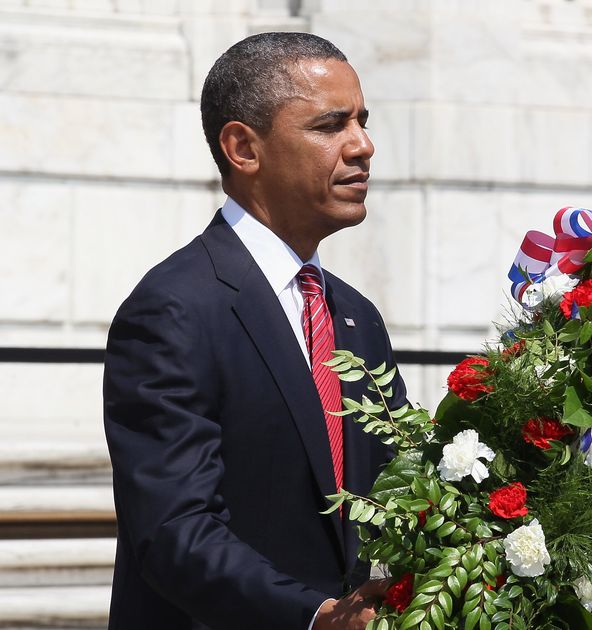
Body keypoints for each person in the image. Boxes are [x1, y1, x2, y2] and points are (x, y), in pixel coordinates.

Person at [103, 32, 401, 629]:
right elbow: (174, 532)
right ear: (243, 147)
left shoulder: (357, 315)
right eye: (329, 125)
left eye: (363, 121)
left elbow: (397, 490)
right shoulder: (174, 309)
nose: (363, 145)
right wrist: (315, 617)